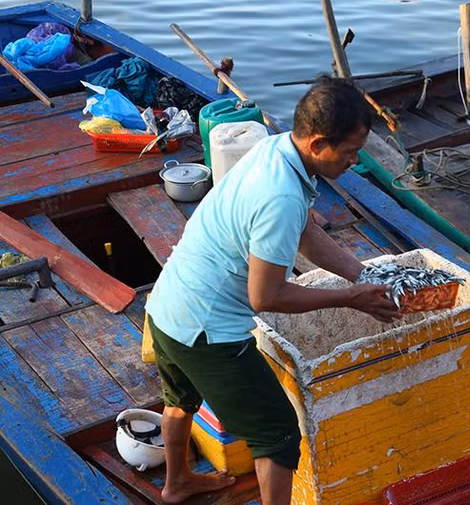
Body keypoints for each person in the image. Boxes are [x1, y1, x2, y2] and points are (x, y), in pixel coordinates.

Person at [144, 76, 401, 505]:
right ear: (318, 144)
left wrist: (359, 275)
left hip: (168, 304)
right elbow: (266, 297)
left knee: (180, 398)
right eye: (350, 152)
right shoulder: (279, 196)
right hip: (206, 329)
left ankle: (177, 484)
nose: (354, 161)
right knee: (277, 433)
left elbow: (305, 234)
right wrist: (349, 298)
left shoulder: (277, 148)